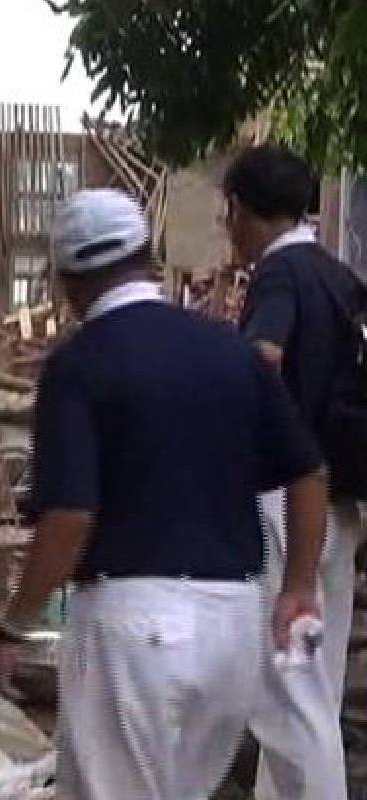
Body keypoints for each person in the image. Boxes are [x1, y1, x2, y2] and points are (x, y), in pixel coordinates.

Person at [0, 188, 328, 799]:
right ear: (147, 257)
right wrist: (299, 587)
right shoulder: (230, 350)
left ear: (69, 282)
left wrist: (14, 625)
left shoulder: (80, 364)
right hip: (232, 624)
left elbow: (68, 517)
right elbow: (308, 472)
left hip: (133, 627)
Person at [225, 144, 367, 799]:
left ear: (241, 212)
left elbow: (262, 358)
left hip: (285, 504)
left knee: (288, 697)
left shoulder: (279, 274)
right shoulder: (339, 276)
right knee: (314, 682)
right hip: (339, 499)